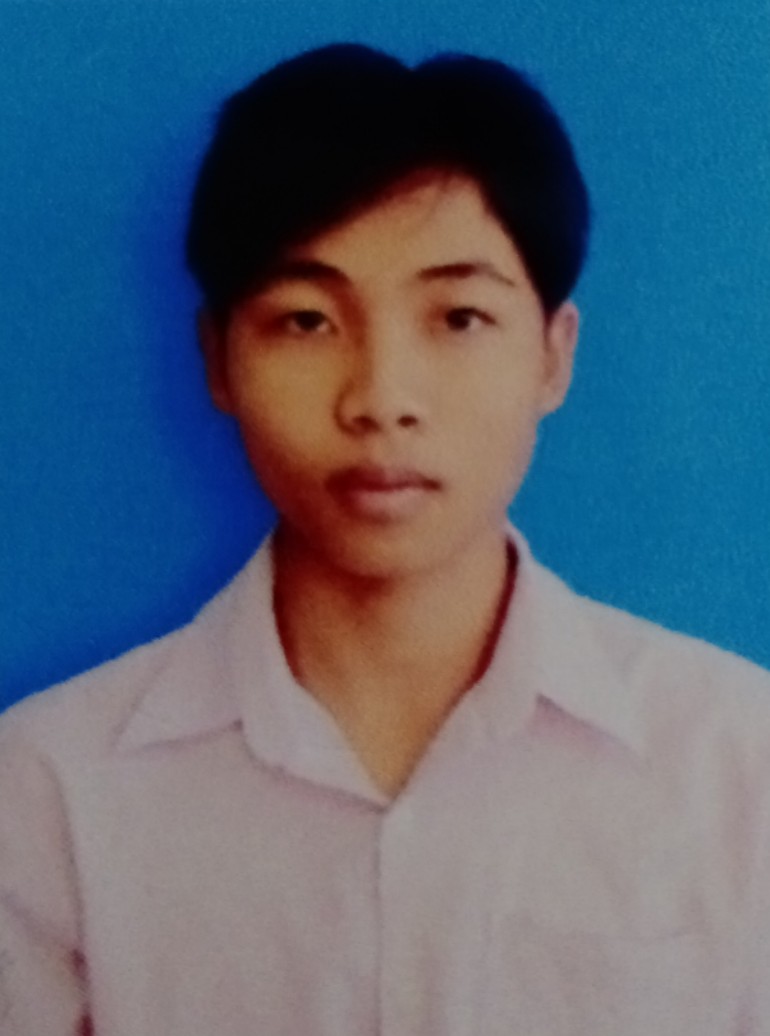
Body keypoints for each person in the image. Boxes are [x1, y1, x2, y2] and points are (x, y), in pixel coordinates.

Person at [1, 42, 770, 1036]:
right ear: (217, 361)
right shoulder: (48, 795)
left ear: (553, 355)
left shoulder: (737, 767)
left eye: (458, 317)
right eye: (306, 321)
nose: (380, 399)